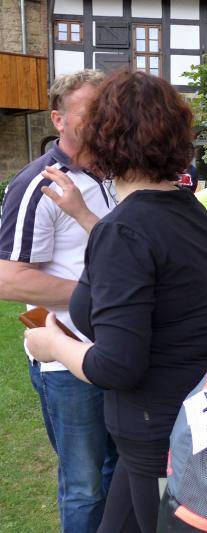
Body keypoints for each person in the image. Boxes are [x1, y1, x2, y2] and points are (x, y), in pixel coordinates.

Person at [25, 70, 207, 533]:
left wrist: (52, 345)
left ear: (105, 139)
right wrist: (86, 217)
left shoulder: (126, 228)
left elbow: (116, 365)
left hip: (157, 433)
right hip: (186, 411)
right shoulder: (187, 209)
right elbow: (142, 261)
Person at [0, 69, 117, 533]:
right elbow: (8, 279)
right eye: (89, 111)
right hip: (65, 360)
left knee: (119, 469)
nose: (102, 120)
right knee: (85, 485)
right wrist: (99, 296)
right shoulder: (38, 183)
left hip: (118, 351)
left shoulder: (116, 175)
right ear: (58, 119)